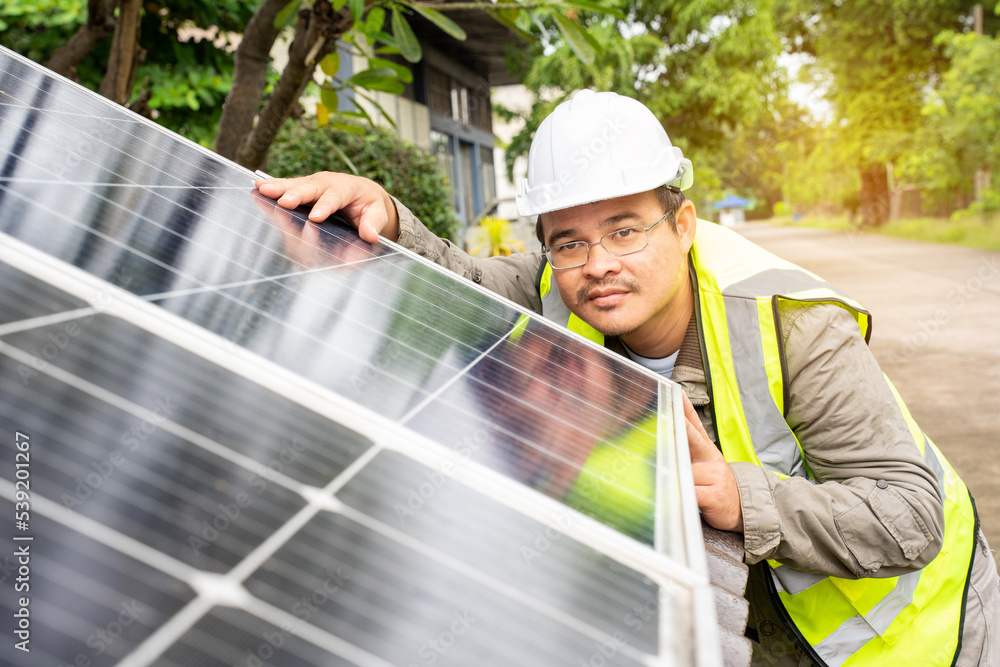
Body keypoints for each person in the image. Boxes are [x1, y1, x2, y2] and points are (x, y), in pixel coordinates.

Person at [256, 90, 998, 666]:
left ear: (682, 225)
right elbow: (464, 278)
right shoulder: (557, 284)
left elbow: (909, 516)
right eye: (570, 240)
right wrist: (383, 211)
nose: (599, 263)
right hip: (754, 627)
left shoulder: (793, 324)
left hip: (916, 636)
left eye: (625, 228)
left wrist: (743, 496)